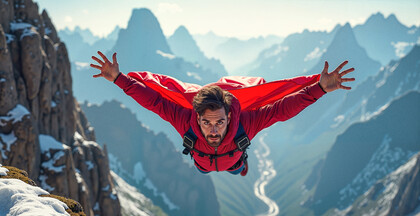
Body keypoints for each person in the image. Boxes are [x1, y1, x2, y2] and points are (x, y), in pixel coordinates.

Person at [90, 51, 355, 176]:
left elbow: (281, 110)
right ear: (197, 118)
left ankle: (240, 165)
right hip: (203, 163)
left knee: (235, 166)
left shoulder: (245, 125)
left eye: (219, 122)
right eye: (206, 123)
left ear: (230, 116)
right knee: (205, 169)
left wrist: (320, 88)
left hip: (231, 160)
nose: (213, 129)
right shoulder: (186, 121)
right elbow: (154, 101)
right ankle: (229, 165)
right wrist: (118, 79)